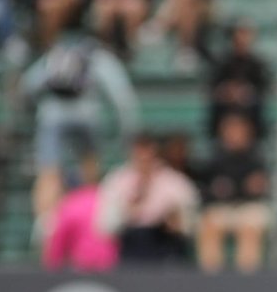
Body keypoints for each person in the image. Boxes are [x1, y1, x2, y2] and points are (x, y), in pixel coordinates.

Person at [20, 15, 139, 231]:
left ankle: (45, 225)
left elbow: (28, 85)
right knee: (90, 168)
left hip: (52, 117)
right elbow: (120, 95)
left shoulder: (56, 53)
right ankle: (90, 222)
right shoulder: (96, 55)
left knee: (49, 171)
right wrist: (127, 128)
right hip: (87, 117)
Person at [97, 132, 199, 265]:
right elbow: (105, 227)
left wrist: (177, 222)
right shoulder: (117, 181)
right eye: (140, 156)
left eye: (148, 156)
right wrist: (127, 211)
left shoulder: (175, 183)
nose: (144, 161)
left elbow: (192, 224)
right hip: (130, 246)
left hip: (166, 246)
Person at [195, 112, 269, 272]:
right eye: (230, 131)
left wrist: (253, 187)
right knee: (209, 226)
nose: (234, 136)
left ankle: (247, 279)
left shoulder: (256, 158)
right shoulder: (213, 159)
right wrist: (215, 191)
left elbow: (260, 188)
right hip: (221, 208)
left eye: (238, 131)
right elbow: (203, 189)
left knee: (251, 226)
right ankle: (210, 279)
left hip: (248, 207)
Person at [208, 18, 271, 141]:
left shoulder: (257, 64)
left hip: (249, 108)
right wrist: (228, 92)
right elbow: (214, 86)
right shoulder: (222, 62)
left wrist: (247, 92)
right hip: (226, 107)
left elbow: (263, 87)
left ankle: (253, 138)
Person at [40, 174, 117, 272]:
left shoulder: (68, 205)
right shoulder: (103, 196)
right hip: (112, 263)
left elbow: (57, 244)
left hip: (84, 266)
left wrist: (50, 267)